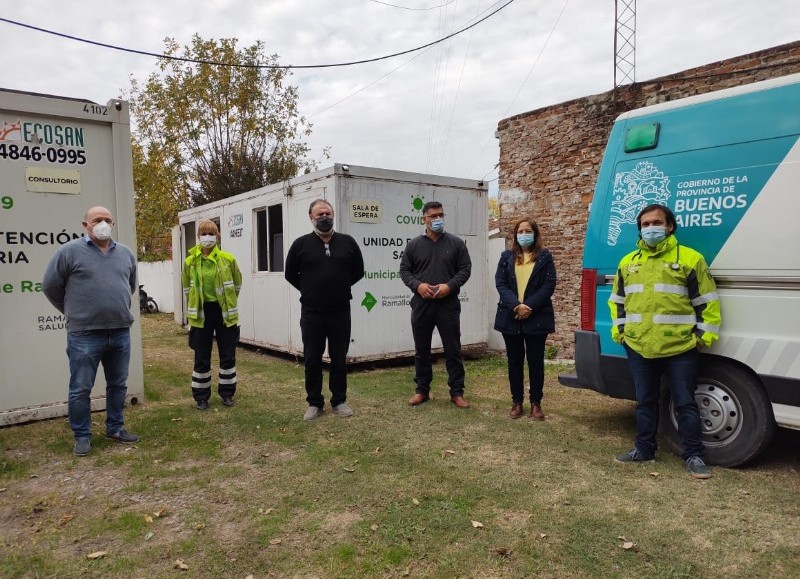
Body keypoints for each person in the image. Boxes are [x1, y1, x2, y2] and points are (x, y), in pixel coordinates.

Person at [609, 203, 721, 479]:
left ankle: (693, 455)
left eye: (656, 223)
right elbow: (618, 302)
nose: (651, 229)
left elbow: (707, 301)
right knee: (645, 401)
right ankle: (644, 450)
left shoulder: (690, 259)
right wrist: (620, 332)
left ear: (669, 226)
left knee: (685, 402)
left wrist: (702, 337)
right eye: (645, 225)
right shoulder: (628, 262)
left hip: (679, 347)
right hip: (638, 345)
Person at [43, 206, 140, 456]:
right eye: (97, 220)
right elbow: (50, 286)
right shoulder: (68, 252)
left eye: (108, 220)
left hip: (119, 331)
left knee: (118, 384)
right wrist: (75, 311)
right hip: (84, 334)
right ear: (85, 224)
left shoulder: (126, 254)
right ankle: (82, 436)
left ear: (114, 224)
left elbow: (128, 286)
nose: (103, 223)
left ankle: (115, 428)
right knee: (81, 388)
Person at [285, 199, 365, 421]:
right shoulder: (300, 245)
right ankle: (314, 403)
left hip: (340, 311)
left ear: (334, 215)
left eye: (328, 213)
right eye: (319, 214)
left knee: (339, 358)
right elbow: (290, 274)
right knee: (312, 358)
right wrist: (310, 289)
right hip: (312, 313)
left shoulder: (348, 242)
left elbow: (359, 271)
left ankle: (339, 401)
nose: (324, 217)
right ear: (311, 217)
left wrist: (339, 286)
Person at [400, 201, 472, 408]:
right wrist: (418, 285)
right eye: (432, 216)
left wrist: (449, 286)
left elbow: (465, 269)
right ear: (424, 219)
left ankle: (457, 392)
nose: (437, 219)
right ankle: (422, 390)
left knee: (453, 349)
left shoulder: (456, 243)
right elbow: (404, 271)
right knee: (421, 350)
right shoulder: (414, 245)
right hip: (422, 304)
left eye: (440, 215)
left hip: (447, 305)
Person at [494, 218, 556, 420]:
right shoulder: (506, 257)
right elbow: (501, 283)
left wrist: (529, 306)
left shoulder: (545, 257)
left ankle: (536, 403)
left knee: (536, 362)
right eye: (520, 231)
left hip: (536, 317)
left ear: (535, 234)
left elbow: (549, 285)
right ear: (515, 234)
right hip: (511, 316)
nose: (524, 234)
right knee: (514, 362)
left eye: (528, 230)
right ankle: (517, 402)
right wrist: (516, 305)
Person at [181, 220, 242, 410]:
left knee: (227, 355)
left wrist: (227, 302)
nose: (208, 237)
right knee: (201, 356)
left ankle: (227, 393)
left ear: (218, 236)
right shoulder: (190, 261)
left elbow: (237, 285)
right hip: (201, 314)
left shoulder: (228, 259)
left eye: (211, 233)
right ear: (198, 237)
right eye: (204, 233)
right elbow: (186, 288)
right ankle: (201, 397)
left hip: (223, 313)